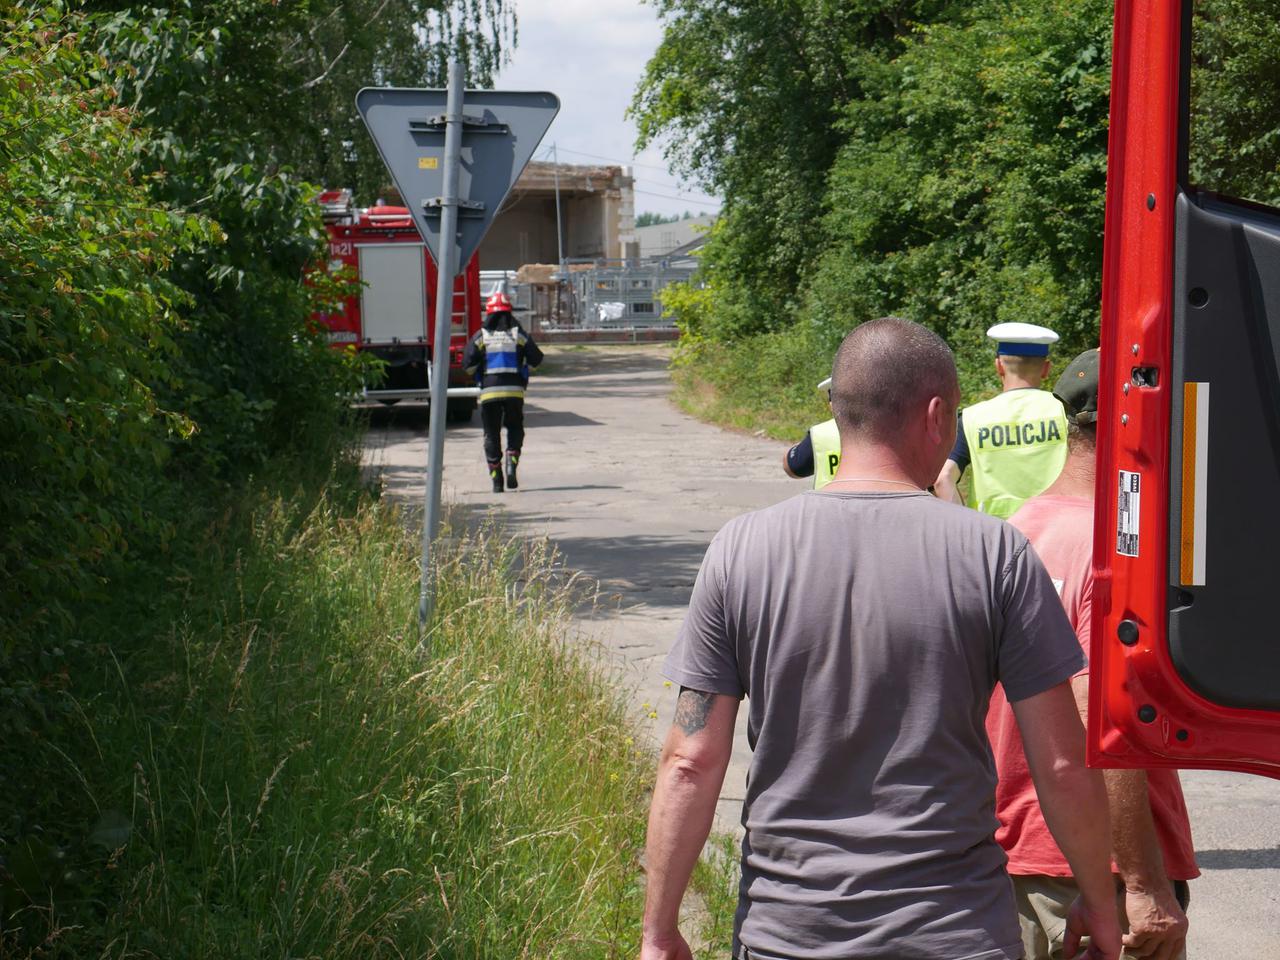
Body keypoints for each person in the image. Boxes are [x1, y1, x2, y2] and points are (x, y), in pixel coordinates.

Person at [641, 317, 1122, 960]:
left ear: (838, 415)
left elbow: (690, 761)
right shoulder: (994, 553)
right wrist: (1098, 895)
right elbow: (1061, 763)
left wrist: (659, 929)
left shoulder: (742, 550)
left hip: (789, 933)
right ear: (933, 415)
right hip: (956, 931)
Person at [986, 348, 1199, 960]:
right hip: (1095, 874)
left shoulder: (1014, 531)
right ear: (1139, 426)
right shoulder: (1113, 554)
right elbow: (1100, 714)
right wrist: (1140, 881)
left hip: (1016, 850)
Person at [934, 322, 1068, 518]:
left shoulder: (972, 418)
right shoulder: (1065, 411)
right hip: (1055, 530)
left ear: (999, 366)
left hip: (994, 540)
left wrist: (967, 527)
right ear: (1046, 369)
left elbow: (943, 479)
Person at [462, 291, 543, 493]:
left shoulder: (481, 336)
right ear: (510, 313)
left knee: (491, 434)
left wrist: (480, 370)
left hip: (489, 393)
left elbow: (467, 366)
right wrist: (524, 366)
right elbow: (537, 359)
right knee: (515, 428)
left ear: (488, 314)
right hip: (515, 391)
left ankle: (497, 480)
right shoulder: (519, 335)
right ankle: (511, 464)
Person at [782, 378, 841, 489]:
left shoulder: (822, 433)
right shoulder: (883, 425)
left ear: (833, 404)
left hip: (831, 505)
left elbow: (792, 467)